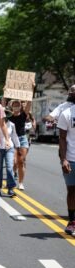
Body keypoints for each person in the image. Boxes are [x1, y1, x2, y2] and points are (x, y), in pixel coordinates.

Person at [57, 99, 75, 236]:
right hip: (71, 158)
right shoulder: (66, 113)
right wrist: (63, 159)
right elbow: (62, 138)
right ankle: (72, 221)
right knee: (72, 191)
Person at [8, 99, 32, 190]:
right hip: (12, 140)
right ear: (11, 106)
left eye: (18, 104)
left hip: (22, 139)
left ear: (21, 106)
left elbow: (29, 103)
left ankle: (21, 183)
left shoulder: (23, 115)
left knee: (21, 161)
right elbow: (2, 107)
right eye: (14, 104)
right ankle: (14, 172)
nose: (16, 106)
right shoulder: (9, 116)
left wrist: (31, 90)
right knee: (14, 161)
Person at [0, 108, 20, 196]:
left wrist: (18, 147)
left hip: (9, 148)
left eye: (6, 113)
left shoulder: (12, 125)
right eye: (3, 113)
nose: (5, 115)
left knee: (9, 167)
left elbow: (14, 136)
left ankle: (10, 187)